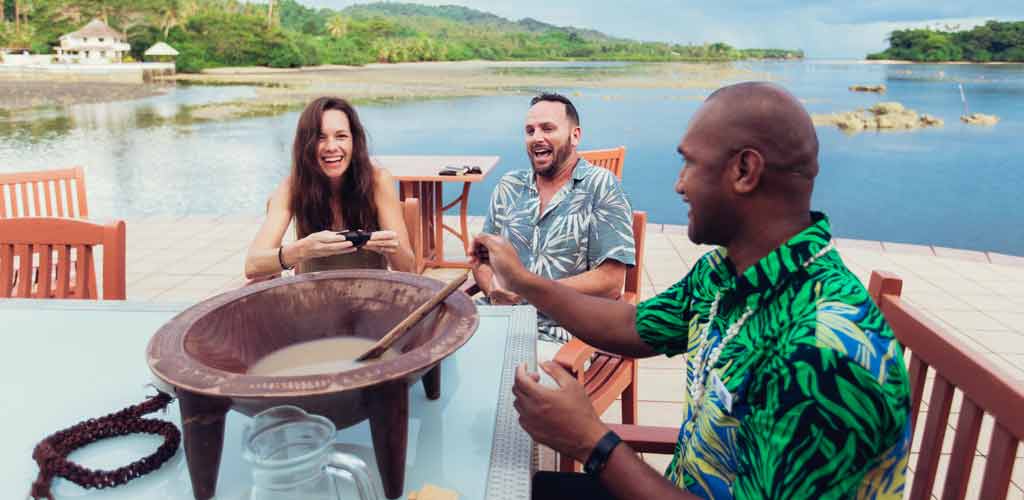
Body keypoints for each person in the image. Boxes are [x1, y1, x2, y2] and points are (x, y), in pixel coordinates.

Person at [472, 82, 912, 499]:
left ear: (744, 171)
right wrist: (527, 282)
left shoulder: (820, 353)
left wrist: (592, 442)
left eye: (689, 163)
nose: (679, 184)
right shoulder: (726, 273)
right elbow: (632, 325)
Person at [473, 93, 635, 360]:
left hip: (564, 333)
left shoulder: (601, 187)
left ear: (575, 135)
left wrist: (528, 289)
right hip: (498, 318)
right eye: (530, 130)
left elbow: (611, 282)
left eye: (548, 128)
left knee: (500, 377)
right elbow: (482, 261)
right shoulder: (508, 187)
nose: (537, 137)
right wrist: (492, 290)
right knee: (434, 359)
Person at [245, 96, 415, 278]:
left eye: (341, 136)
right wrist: (302, 250)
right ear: (305, 145)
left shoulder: (378, 180)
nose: (331, 147)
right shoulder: (292, 187)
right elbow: (252, 266)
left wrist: (392, 248)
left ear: (354, 141)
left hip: (371, 296)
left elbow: (407, 269)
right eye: (320, 138)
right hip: (314, 298)